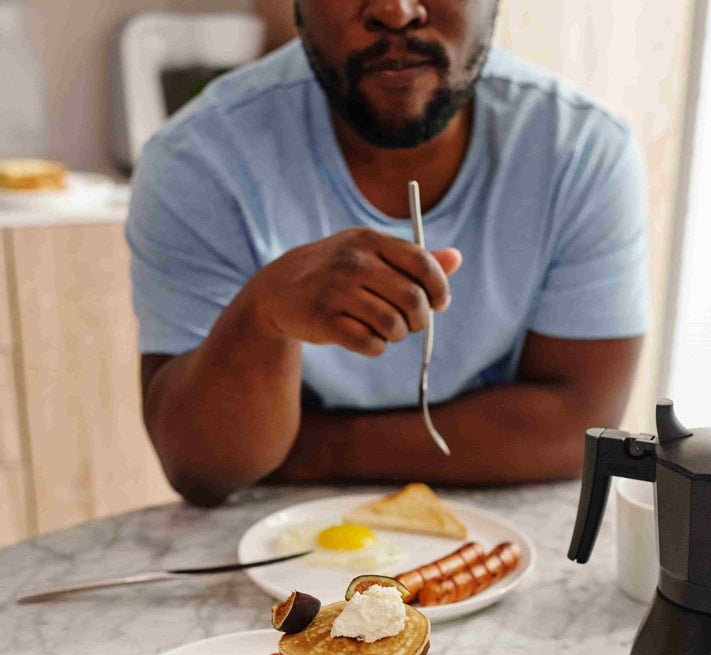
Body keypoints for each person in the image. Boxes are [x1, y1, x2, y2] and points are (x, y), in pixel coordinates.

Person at [127, 0, 649, 507]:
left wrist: (293, 449)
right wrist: (264, 315)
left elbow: (577, 428)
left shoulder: (579, 150)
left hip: (505, 533)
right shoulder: (199, 159)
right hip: (272, 545)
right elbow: (198, 465)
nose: (396, 11)